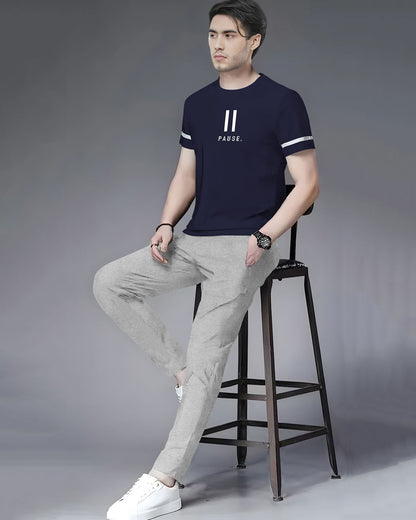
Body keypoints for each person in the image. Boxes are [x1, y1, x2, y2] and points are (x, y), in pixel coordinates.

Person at [93, 0, 319, 518]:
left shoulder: (282, 101)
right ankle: (183, 374)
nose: (218, 44)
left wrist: (265, 236)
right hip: (195, 241)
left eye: (230, 35)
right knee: (109, 282)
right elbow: (186, 173)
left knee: (208, 349)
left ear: (254, 41)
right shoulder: (197, 103)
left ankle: (165, 480)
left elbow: (307, 184)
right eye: (213, 34)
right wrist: (166, 223)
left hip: (247, 247)